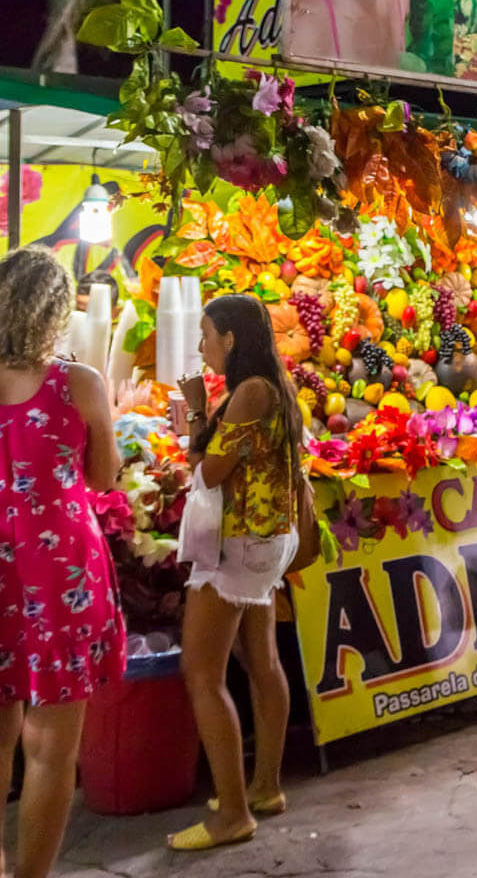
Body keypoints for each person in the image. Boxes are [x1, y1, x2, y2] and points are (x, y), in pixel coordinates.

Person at [0, 248, 124, 878]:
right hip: (62, 571)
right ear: (56, 311)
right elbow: (104, 477)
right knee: (52, 749)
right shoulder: (78, 384)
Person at [169, 294, 308, 851]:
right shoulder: (267, 386)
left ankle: (232, 813)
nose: (202, 346)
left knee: (200, 671)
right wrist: (198, 411)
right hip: (263, 539)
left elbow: (207, 471)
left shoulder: (250, 392)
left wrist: (197, 410)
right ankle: (263, 787)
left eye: (207, 335)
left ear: (230, 339)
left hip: (241, 542)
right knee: (260, 660)